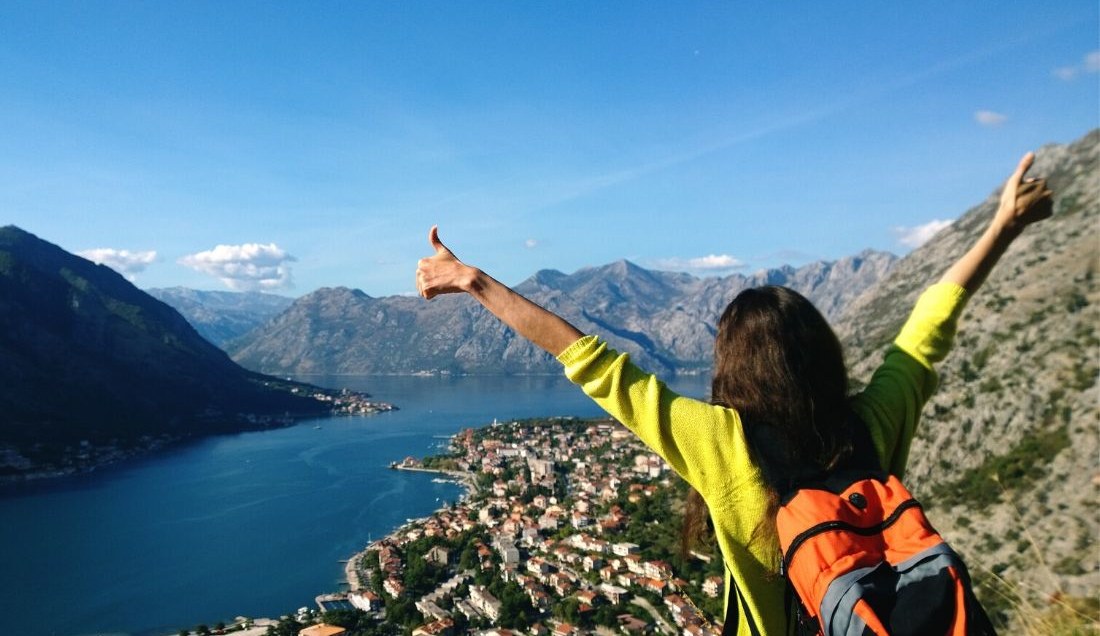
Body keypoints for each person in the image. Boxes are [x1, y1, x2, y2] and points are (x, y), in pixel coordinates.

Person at [415, 153, 1053, 634]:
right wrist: (1002, 226)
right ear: (823, 354)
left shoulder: (721, 444)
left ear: (731, 366)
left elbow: (589, 360)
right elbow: (926, 329)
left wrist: (473, 280)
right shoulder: (874, 423)